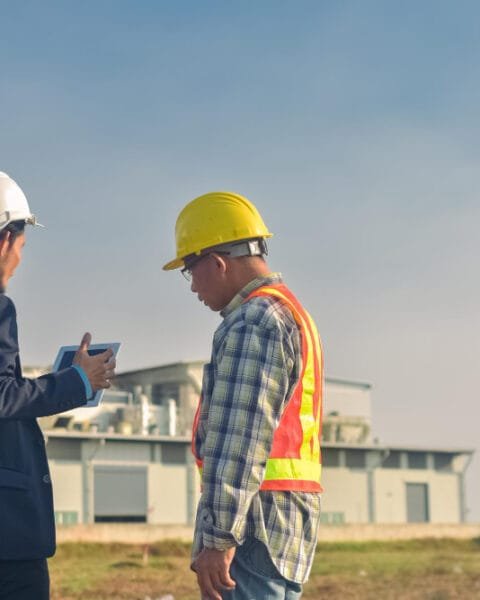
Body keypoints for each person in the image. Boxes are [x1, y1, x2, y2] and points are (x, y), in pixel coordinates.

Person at [163, 191, 324, 600]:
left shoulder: (253, 321)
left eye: (189, 270)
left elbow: (240, 441)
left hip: (252, 530)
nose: (192, 286)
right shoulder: (290, 311)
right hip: (279, 525)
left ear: (217, 263)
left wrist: (218, 537)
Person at [0, 171, 116, 600]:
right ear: (5, 239)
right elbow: (2, 396)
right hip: (8, 540)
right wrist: (78, 380)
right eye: (22, 246)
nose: (20, 258)